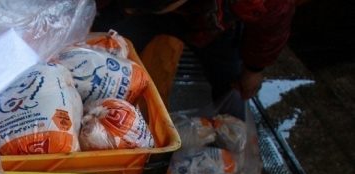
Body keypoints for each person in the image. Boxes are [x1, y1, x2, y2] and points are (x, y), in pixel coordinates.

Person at [93, 0, 296, 101]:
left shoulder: (261, 3)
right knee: (99, 51)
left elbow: (272, 25)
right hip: (146, 11)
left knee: (229, 76)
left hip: (211, 18)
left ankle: (222, 121)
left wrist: (254, 68)